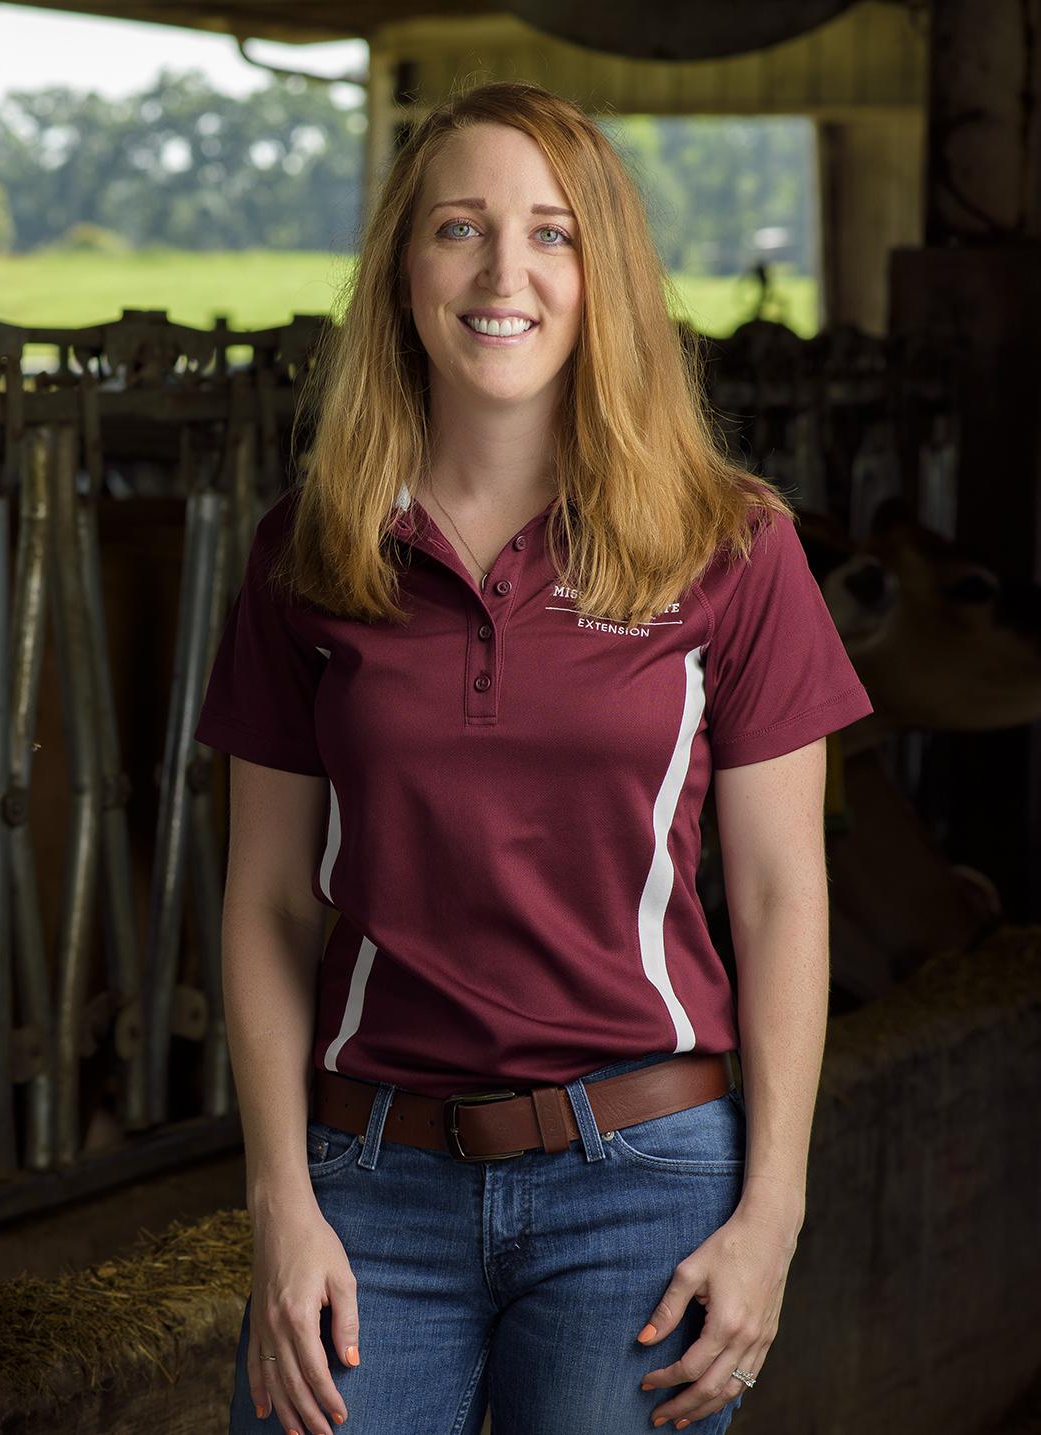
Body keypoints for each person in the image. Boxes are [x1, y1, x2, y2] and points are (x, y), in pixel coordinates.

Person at [194, 80, 872, 1435]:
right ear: (401, 268)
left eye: (552, 233)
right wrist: (281, 1204)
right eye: (460, 228)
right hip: (370, 1179)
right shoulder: (309, 550)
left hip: (646, 1182)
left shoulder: (729, 545)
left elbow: (786, 895)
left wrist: (773, 1213)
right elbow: (268, 902)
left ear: (603, 273)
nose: (506, 272)